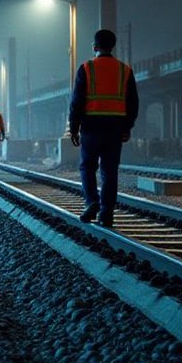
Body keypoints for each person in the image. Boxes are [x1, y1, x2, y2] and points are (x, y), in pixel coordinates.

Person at [67, 29, 138, 227]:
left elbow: (77, 102)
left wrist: (74, 128)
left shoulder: (86, 68)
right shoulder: (125, 70)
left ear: (95, 46)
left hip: (91, 127)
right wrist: (127, 126)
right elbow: (133, 103)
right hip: (115, 128)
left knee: (87, 167)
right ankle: (107, 213)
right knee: (110, 171)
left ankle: (92, 202)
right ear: (113, 46)